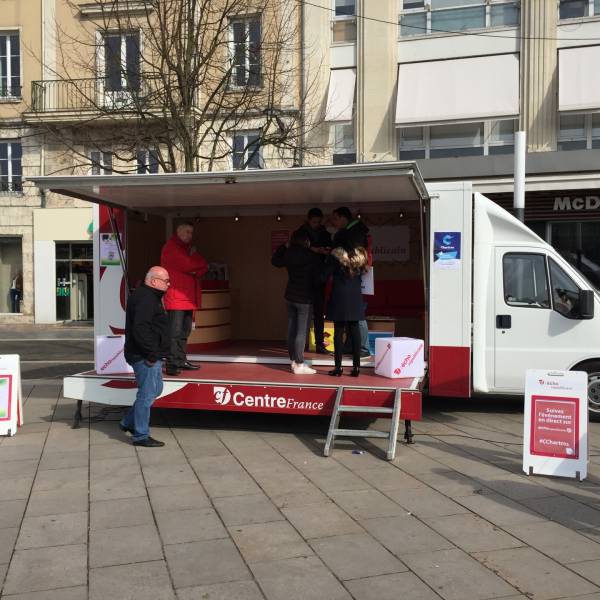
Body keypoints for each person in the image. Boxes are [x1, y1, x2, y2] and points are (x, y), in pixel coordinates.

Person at [121, 266, 171, 447]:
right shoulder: (146, 298)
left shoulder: (150, 296)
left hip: (148, 354)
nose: (169, 284)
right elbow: (141, 329)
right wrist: (151, 354)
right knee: (147, 395)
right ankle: (141, 435)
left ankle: (127, 422)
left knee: (155, 390)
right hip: (145, 355)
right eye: (166, 281)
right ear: (154, 280)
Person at [161, 222, 208, 376]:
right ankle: (172, 364)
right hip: (176, 298)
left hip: (186, 298)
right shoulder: (172, 247)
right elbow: (189, 265)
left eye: (191, 232)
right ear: (178, 232)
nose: (190, 235)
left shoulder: (183, 249)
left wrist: (196, 265)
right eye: (187, 232)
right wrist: (195, 257)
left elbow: (203, 268)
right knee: (175, 332)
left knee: (184, 331)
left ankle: (180, 360)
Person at [272, 230, 320, 374]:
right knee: (301, 331)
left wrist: (284, 246)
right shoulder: (310, 256)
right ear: (306, 242)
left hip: (290, 295)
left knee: (292, 328)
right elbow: (317, 277)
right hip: (304, 298)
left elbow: (274, 261)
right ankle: (299, 363)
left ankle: (293, 360)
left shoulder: (288, 254)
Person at [331, 207, 371, 358]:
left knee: (356, 314)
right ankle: (350, 345)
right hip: (350, 275)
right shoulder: (353, 230)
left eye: (335, 219)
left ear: (343, 218)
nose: (333, 222)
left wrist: (336, 253)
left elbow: (355, 255)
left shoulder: (355, 232)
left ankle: (363, 348)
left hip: (353, 275)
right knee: (351, 312)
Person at [323, 245, 369, 377]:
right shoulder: (359, 265)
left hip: (339, 299)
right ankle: (356, 368)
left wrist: (330, 259)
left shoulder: (336, 262)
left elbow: (324, 276)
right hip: (355, 300)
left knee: (338, 332)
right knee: (355, 332)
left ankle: (338, 367)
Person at [294, 208, 332, 353]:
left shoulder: (325, 234)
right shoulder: (300, 234)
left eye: (318, 222)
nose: (316, 224)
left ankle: (320, 344)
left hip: (319, 276)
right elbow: (296, 250)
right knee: (303, 312)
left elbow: (331, 249)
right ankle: (300, 345)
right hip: (304, 277)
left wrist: (325, 250)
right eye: (314, 221)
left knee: (318, 311)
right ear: (308, 220)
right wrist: (314, 250)